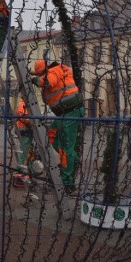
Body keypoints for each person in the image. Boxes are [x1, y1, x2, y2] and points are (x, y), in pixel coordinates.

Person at [30, 59, 85, 191]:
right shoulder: (52, 71)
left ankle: (67, 181)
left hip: (71, 111)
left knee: (66, 147)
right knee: (52, 135)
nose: (40, 77)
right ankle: (71, 158)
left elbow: (48, 81)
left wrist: (35, 80)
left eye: (40, 74)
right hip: (63, 113)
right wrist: (32, 75)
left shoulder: (54, 71)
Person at [15, 97, 33, 169]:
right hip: (24, 129)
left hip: (27, 130)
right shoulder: (22, 104)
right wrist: (31, 123)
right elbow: (23, 117)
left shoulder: (28, 104)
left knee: (29, 150)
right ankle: (20, 169)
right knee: (24, 150)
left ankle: (29, 167)